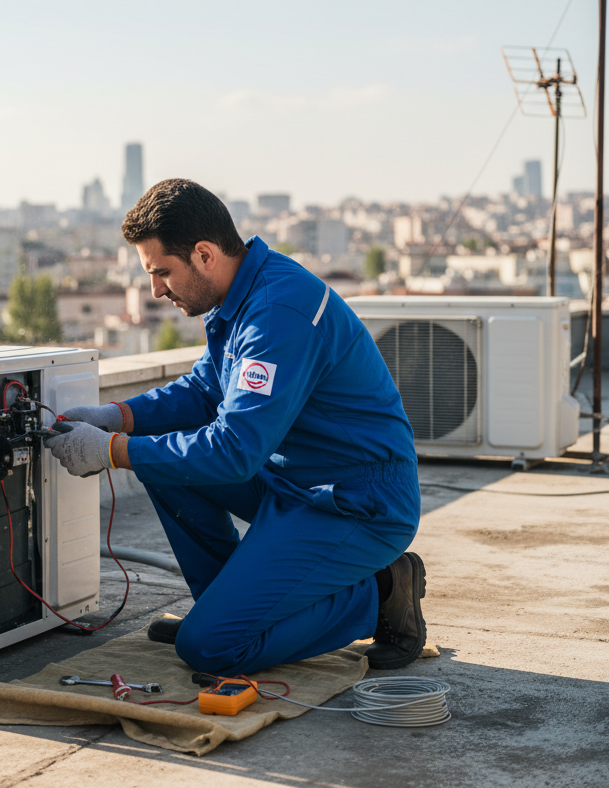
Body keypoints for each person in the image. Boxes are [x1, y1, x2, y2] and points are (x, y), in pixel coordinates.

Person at [45, 178, 425, 677]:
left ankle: (381, 593)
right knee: (161, 463)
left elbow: (234, 453)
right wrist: (118, 418)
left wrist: (112, 451)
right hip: (297, 482)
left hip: (357, 503)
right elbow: (205, 390)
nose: (156, 290)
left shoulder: (276, 312)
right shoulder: (241, 293)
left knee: (210, 652)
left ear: (204, 254)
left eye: (162, 272)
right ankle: (228, 612)